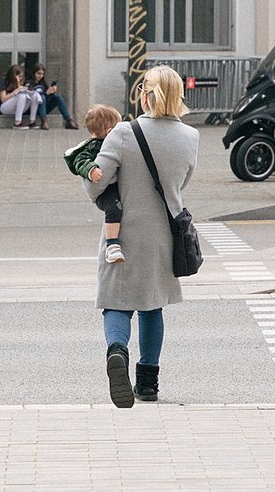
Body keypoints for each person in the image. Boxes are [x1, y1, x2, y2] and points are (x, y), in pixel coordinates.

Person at [82, 65, 199, 408]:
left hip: (123, 230)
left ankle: (117, 350)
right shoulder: (191, 138)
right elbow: (179, 186)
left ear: (146, 95)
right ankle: (147, 381)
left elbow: (97, 182)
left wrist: (85, 173)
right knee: (152, 305)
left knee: (116, 301)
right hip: (164, 233)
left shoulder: (122, 133)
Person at [64, 105, 125, 263]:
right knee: (114, 209)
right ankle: (112, 245)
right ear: (108, 130)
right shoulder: (92, 146)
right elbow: (80, 160)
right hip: (106, 191)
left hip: (115, 185)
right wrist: (91, 170)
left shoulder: (113, 143)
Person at [28, 64, 79, 130]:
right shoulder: (28, 83)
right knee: (42, 97)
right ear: (34, 73)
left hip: (43, 107)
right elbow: (32, 96)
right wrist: (46, 93)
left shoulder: (42, 83)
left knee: (58, 97)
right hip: (32, 108)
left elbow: (47, 98)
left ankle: (68, 120)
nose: (40, 76)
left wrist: (52, 92)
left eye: (42, 74)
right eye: (38, 73)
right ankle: (43, 121)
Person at [0, 64, 40, 128]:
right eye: (19, 76)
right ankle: (17, 123)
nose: (20, 78)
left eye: (21, 76)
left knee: (35, 95)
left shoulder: (21, 82)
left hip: (19, 108)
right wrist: (16, 90)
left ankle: (32, 121)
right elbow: (3, 99)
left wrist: (25, 89)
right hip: (5, 108)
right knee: (21, 95)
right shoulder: (3, 81)